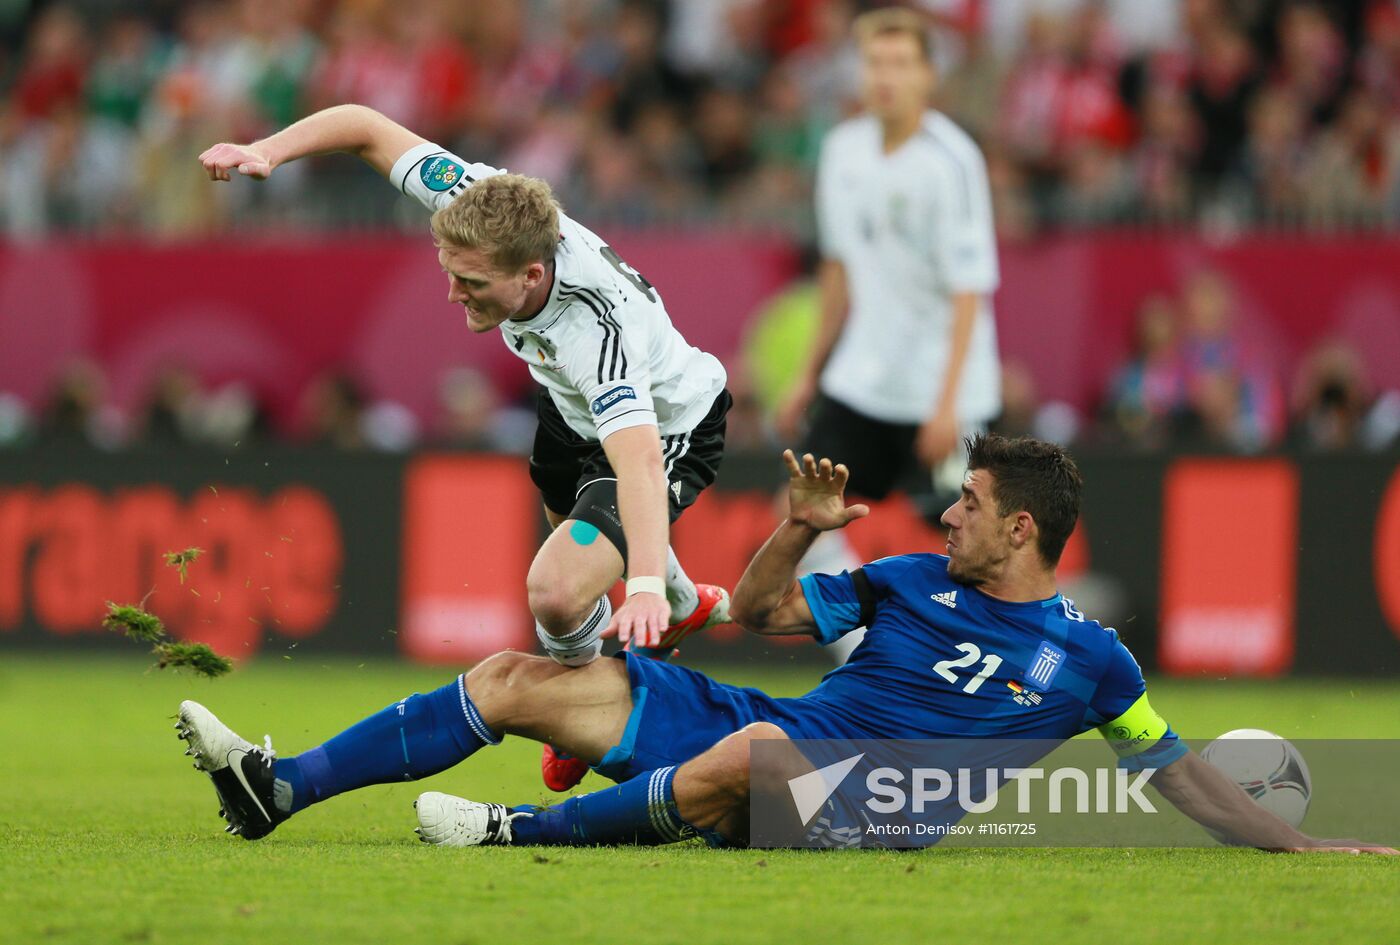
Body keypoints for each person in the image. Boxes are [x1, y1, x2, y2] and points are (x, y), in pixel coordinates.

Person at [175, 435, 1394, 854]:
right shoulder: (907, 576)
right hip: (772, 734)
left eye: (966, 501)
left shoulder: (1091, 662)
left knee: (757, 750)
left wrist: (1296, 840)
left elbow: (1166, 767)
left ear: (1021, 527)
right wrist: (794, 531)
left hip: (875, 802)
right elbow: (762, 618)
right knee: (518, 676)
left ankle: (514, 834)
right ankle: (277, 792)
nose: (948, 513)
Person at [198, 105, 732, 792]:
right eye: (449, 270)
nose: (453, 292)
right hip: (569, 409)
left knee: (555, 593)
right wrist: (267, 151)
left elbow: (640, 463)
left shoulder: (597, 333)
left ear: (533, 276)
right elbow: (364, 125)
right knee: (567, 599)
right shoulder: (477, 199)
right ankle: (630, 650)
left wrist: (649, 585)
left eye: (473, 281)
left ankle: (641, 634)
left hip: (666, 423)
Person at [773, 9, 1003, 661]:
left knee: (977, 551)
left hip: (945, 389)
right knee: (803, 518)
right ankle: (869, 670)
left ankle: (991, 688)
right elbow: (839, 269)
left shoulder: (952, 160)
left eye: (902, 64)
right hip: (863, 382)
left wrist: (948, 403)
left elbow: (969, 292)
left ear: (929, 76)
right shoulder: (843, 150)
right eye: (876, 62)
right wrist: (808, 373)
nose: (887, 77)